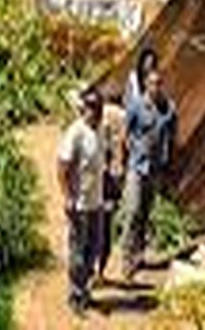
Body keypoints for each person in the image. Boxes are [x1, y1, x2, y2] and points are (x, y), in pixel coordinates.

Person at [121, 67, 177, 281]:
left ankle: (138, 256)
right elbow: (126, 133)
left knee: (145, 214)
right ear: (145, 84)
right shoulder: (136, 106)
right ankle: (126, 260)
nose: (156, 87)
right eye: (152, 83)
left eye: (159, 83)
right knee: (132, 211)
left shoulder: (168, 108)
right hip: (137, 167)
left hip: (154, 169)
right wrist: (127, 156)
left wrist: (167, 162)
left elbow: (172, 135)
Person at [57, 88, 106, 316]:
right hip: (79, 203)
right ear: (84, 109)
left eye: (99, 108)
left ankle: (84, 288)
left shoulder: (100, 130)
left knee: (94, 247)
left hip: (96, 201)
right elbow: (62, 167)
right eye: (93, 108)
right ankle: (75, 295)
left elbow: (103, 161)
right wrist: (67, 196)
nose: (97, 113)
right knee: (78, 250)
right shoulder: (75, 133)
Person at [95, 93, 126, 283]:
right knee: (102, 234)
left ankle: (97, 272)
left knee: (102, 235)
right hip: (99, 199)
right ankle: (96, 272)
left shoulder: (111, 177)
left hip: (104, 195)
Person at [124, 47, 158, 111]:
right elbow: (127, 94)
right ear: (142, 61)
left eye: (151, 63)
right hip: (134, 107)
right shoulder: (133, 76)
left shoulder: (153, 78)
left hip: (147, 109)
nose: (149, 66)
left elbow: (155, 96)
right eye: (147, 62)